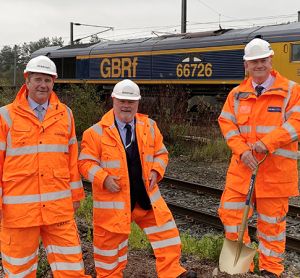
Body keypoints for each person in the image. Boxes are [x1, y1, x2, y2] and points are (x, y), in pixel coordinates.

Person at [78, 79, 197, 278]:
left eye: (131, 101)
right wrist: (103, 178)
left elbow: (161, 153)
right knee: (109, 247)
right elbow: (84, 164)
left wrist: (155, 172)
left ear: (138, 103)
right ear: (113, 100)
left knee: (167, 234)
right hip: (114, 203)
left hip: (146, 198)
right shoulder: (95, 133)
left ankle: (173, 272)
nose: (126, 105)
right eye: (122, 100)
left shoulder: (149, 127)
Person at [0, 55, 90, 277]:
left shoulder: (65, 114)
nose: (43, 85)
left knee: (72, 270)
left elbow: (71, 158)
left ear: (54, 82)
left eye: (48, 80)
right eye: (38, 79)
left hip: (58, 210)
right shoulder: (6, 116)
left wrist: (76, 196)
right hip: (19, 213)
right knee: (18, 271)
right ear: (27, 81)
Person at [218, 38, 300, 277]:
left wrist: (268, 143)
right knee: (231, 215)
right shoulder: (236, 94)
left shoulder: (291, 91)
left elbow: (296, 123)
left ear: (271, 60)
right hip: (242, 170)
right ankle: (240, 268)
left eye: (263, 60)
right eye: (254, 62)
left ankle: (270, 271)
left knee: (272, 226)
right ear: (246, 65)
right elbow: (227, 124)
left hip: (275, 174)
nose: (259, 65)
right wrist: (242, 151)